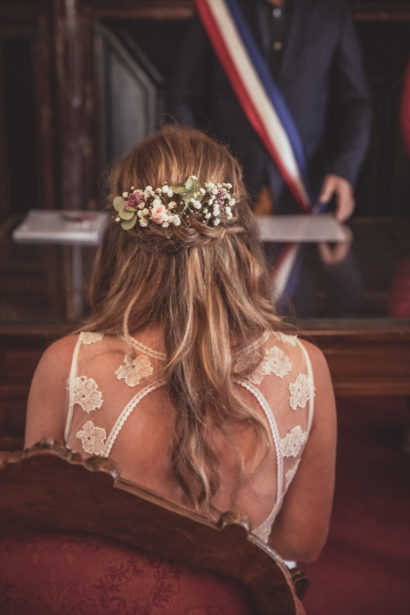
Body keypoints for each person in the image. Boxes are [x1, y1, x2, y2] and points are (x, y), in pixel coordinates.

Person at [25, 125, 336, 564]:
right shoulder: (306, 368)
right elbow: (300, 546)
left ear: (121, 237)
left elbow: (42, 537)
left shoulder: (67, 366)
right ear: (239, 233)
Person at [170, 0, 372, 220]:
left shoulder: (330, 10)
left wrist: (344, 170)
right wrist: (192, 172)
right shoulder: (219, 9)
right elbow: (185, 100)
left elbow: (356, 104)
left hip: (307, 188)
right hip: (225, 189)